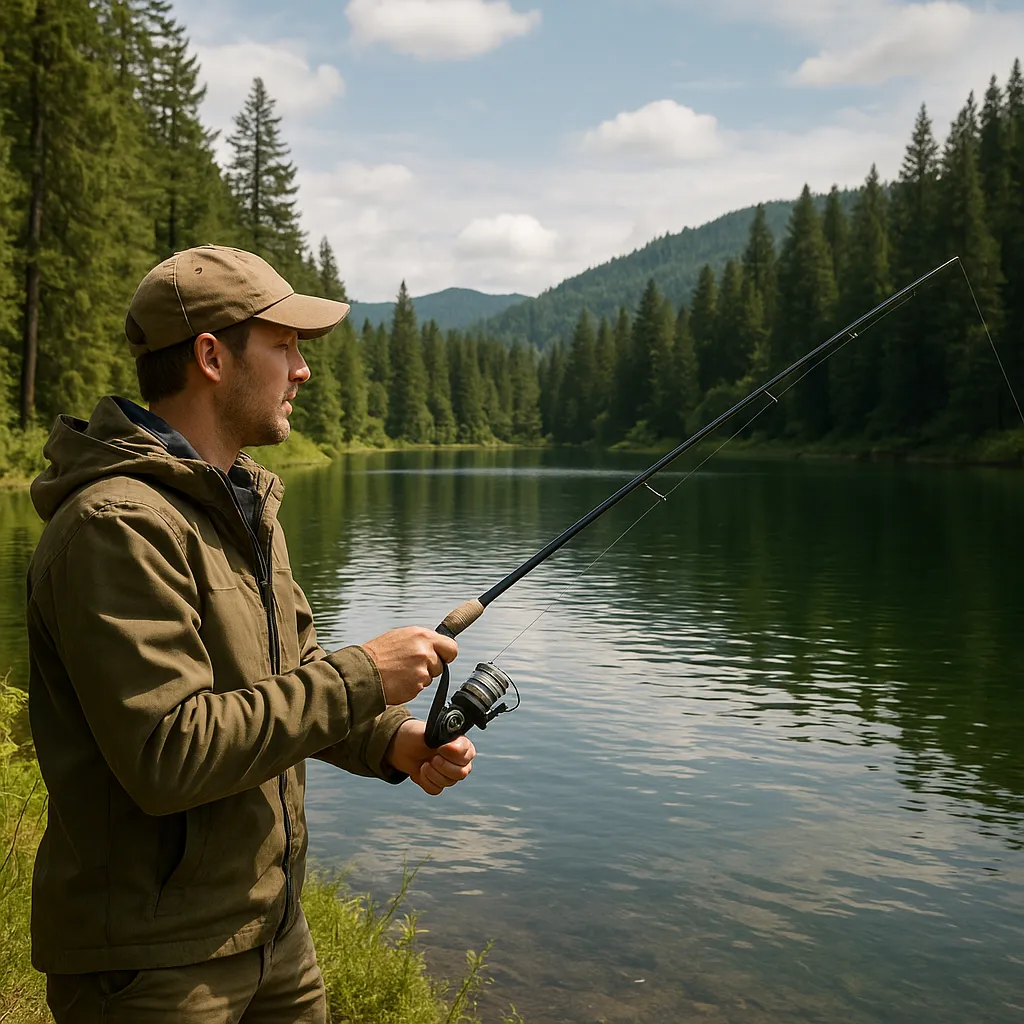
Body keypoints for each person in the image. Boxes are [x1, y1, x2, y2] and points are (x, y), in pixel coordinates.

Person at [26, 244, 477, 1023]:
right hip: (152, 967)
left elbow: (285, 678)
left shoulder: (243, 506)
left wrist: (388, 738)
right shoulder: (116, 527)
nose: (302, 369)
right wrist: (363, 674)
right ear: (211, 355)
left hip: (271, 931)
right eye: (284, 344)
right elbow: (170, 751)